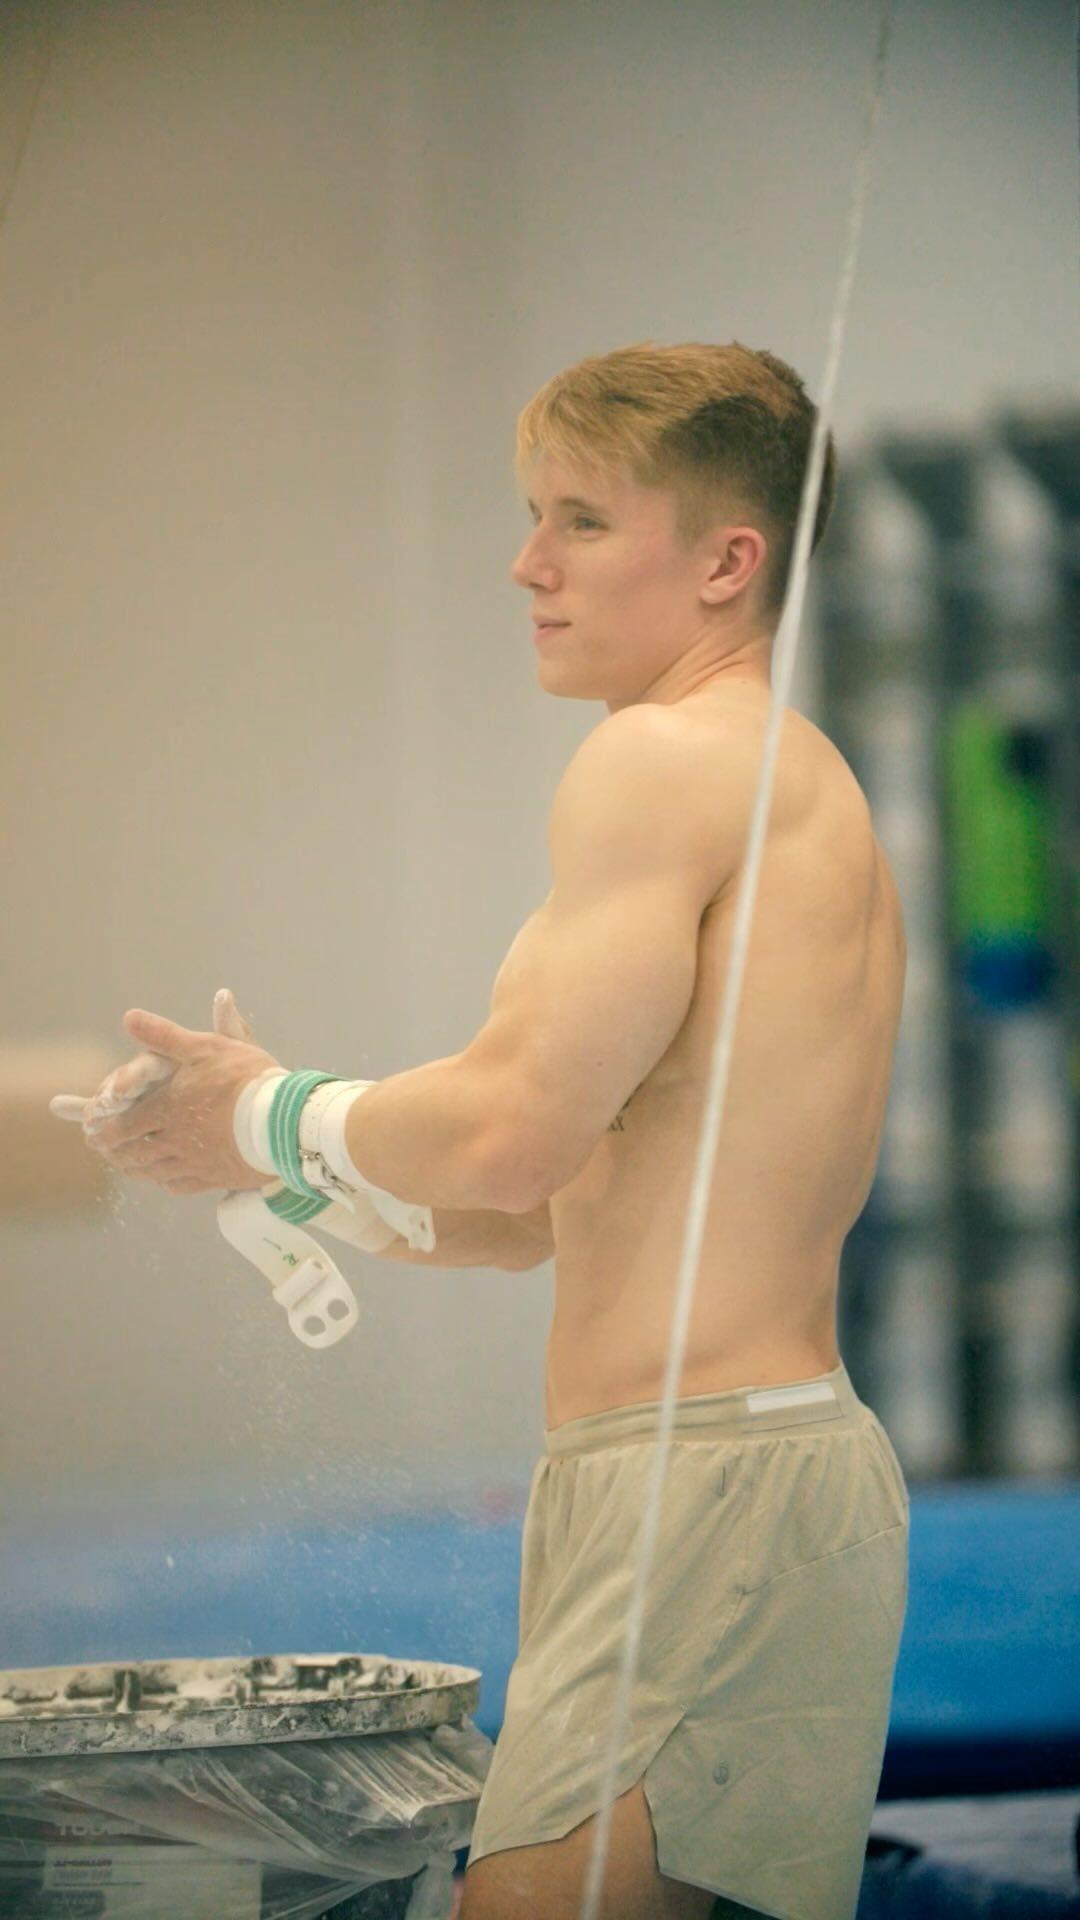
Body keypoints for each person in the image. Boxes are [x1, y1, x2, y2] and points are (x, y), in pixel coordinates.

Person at [80, 341, 911, 1920]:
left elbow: (514, 1134)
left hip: (701, 1490)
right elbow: (541, 1210)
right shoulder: (788, 779)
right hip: (744, 1472)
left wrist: (267, 1109)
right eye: (534, 516)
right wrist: (276, 1165)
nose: (528, 565)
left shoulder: (662, 761)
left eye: (581, 521)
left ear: (728, 562)